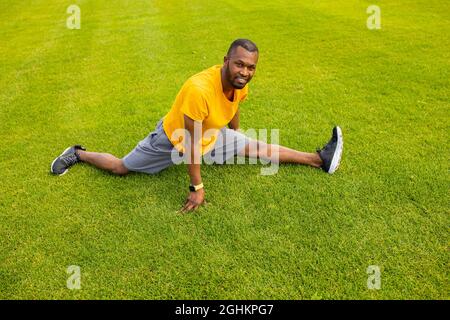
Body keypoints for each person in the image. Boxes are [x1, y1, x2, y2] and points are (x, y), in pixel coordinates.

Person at [50, 39, 343, 213]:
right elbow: (189, 144)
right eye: (239, 65)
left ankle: (319, 160)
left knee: (256, 146)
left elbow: (235, 105)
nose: (245, 72)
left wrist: (236, 135)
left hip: (211, 134)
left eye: (251, 67)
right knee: (122, 167)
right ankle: (78, 153)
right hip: (173, 140)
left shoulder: (241, 84)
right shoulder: (199, 89)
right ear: (226, 61)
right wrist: (197, 187)